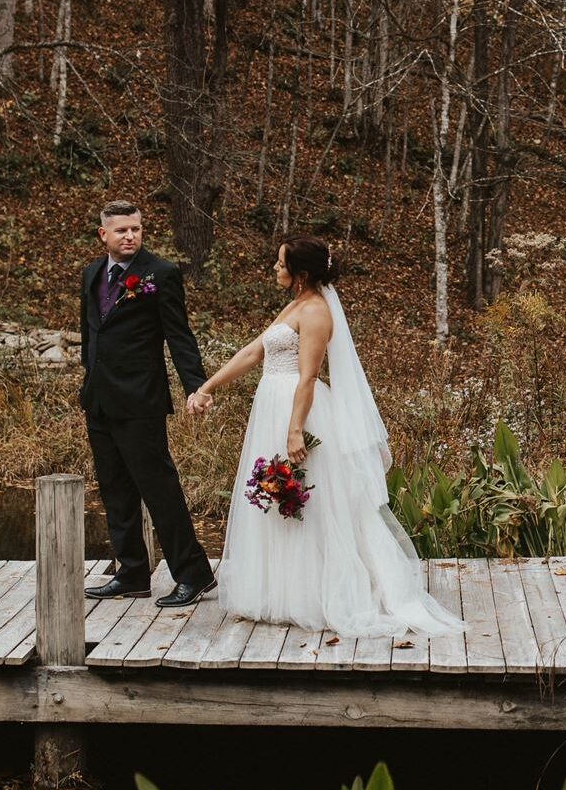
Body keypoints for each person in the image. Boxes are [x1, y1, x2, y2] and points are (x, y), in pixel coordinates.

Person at [190, 235, 462, 637]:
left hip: (299, 410)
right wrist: (207, 387)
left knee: (306, 501)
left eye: (280, 264)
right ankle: (280, 591)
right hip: (272, 405)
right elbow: (253, 352)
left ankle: (315, 595)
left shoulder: (316, 312)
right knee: (274, 497)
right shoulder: (295, 304)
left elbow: (309, 376)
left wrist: (295, 430)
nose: (274, 269)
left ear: (300, 275)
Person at [77, 200, 215, 608]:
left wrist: (196, 386)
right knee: (115, 490)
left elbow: (179, 336)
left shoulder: (161, 274)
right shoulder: (91, 274)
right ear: (104, 234)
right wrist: (89, 380)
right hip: (99, 400)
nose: (130, 236)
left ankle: (194, 574)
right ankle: (132, 573)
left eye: (135, 228)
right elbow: (90, 332)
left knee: (159, 490)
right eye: (121, 230)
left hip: (141, 401)